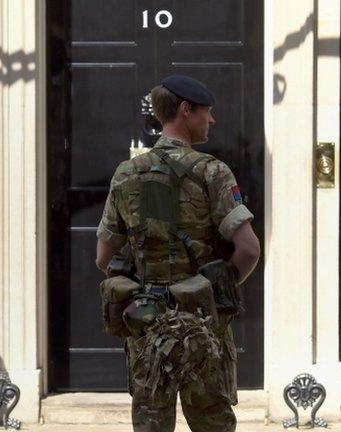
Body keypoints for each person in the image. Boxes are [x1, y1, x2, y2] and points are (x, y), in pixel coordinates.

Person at [95, 74, 260, 432]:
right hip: (202, 327)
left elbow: (103, 257)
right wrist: (214, 290)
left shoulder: (126, 174)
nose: (212, 120)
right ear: (186, 111)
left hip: (147, 325)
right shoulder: (212, 172)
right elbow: (248, 250)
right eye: (207, 112)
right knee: (211, 424)